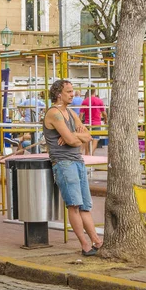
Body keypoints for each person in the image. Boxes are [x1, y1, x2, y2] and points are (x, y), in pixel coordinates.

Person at [43, 79, 102, 256]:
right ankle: (84, 245)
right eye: (69, 91)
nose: (73, 94)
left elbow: (88, 136)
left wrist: (74, 135)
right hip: (64, 163)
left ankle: (97, 241)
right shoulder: (54, 114)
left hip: (77, 160)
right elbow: (70, 141)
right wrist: (74, 137)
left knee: (85, 205)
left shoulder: (69, 112)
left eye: (72, 91)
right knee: (74, 205)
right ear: (58, 94)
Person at [80, 88, 108, 155]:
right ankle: (91, 153)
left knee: (86, 138)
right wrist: (106, 119)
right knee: (95, 139)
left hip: (87, 123)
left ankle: (86, 153)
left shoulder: (85, 101)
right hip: (97, 123)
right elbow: (104, 113)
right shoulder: (99, 101)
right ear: (94, 92)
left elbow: (81, 114)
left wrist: (79, 122)